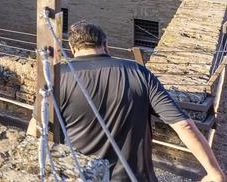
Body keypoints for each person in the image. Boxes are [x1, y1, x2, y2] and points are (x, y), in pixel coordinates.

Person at [56, 22, 224, 182]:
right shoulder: (138, 72)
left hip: (82, 175)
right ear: (105, 45)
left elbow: (39, 130)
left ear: (72, 48)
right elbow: (184, 125)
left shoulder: (58, 78)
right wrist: (215, 173)